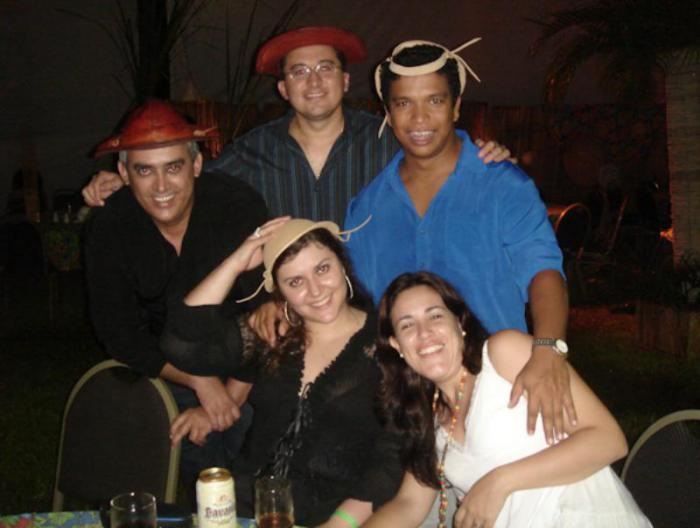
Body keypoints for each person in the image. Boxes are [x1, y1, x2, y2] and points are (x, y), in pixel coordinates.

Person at [345, 39, 572, 444]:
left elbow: (543, 271)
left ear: (456, 106)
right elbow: (363, 308)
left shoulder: (503, 185)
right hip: (412, 408)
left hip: (506, 390)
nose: (419, 118)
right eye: (403, 103)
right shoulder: (367, 208)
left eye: (434, 100)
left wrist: (547, 350)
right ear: (388, 113)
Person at [82, 27, 510, 225]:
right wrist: (123, 184)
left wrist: (486, 155)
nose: (314, 81)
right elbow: (185, 185)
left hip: (376, 304)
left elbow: (440, 156)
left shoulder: (385, 140)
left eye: (325, 68)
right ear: (283, 89)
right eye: (300, 72)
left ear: (345, 81)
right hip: (287, 310)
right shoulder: (251, 152)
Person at [161, 218, 403, 527]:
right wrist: (237, 263)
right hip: (246, 510)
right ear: (279, 291)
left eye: (322, 269)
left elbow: (391, 457)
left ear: (342, 263)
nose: (315, 290)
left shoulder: (387, 344)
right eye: (295, 282)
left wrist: (340, 523)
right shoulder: (273, 334)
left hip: (334, 517)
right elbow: (178, 342)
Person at [364, 271, 651, 528]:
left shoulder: (502, 355)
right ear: (396, 345)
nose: (424, 333)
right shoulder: (431, 419)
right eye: (407, 325)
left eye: (435, 316)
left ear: (459, 322)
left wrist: (499, 482)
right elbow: (408, 505)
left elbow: (609, 440)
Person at [83, 99, 267, 490]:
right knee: (187, 456)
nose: (162, 186)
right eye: (144, 170)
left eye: (173, 167)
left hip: (247, 360)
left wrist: (228, 399)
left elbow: (266, 313)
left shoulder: (237, 207)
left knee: (255, 461)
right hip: (165, 367)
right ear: (124, 173)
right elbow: (118, 332)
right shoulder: (110, 227)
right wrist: (200, 383)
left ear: (196, 165)